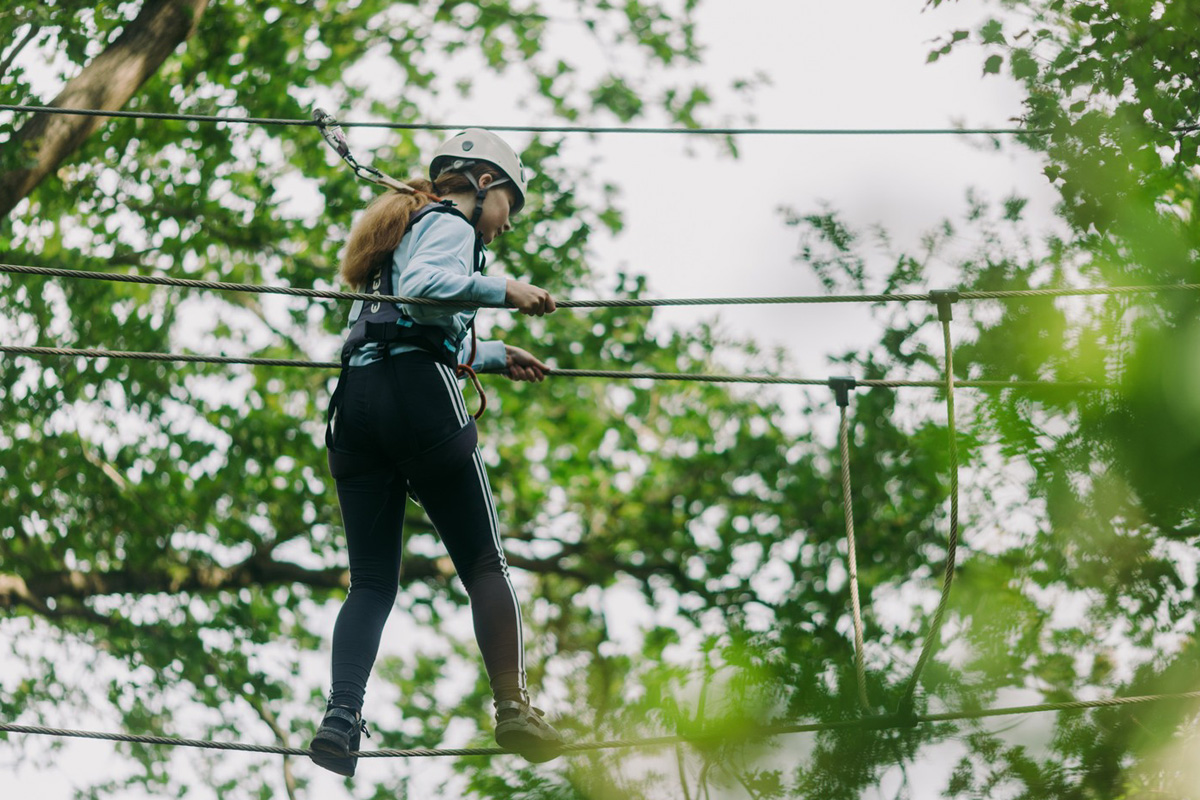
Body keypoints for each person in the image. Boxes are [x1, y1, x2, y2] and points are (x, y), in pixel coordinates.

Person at [309, 129, 563, 776]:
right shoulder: (451, 222)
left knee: (370, 582)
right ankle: (513, 705)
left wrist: (496, 357)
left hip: (358, 405)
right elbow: (429, 287)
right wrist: (506, 290)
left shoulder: (402, 237)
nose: (507, 224)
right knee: (483, 561)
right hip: (417, 396)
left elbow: (408, 321)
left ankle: (342, 718)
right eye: (510, 204)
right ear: (481, 184)